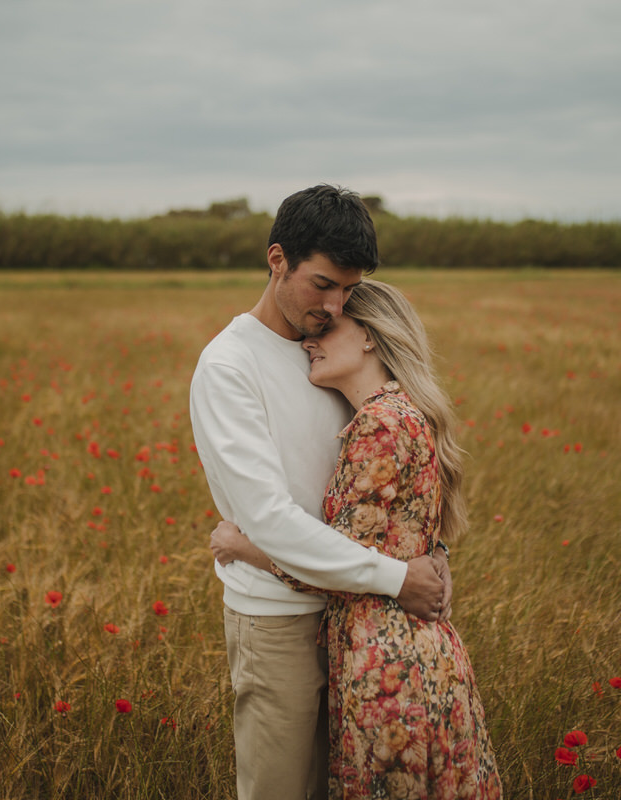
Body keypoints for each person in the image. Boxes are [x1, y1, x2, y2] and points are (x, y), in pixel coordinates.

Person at [188, 185, 453, 800]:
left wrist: (431, 560)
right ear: (277, 259)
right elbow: (272, 521)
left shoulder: (328, 357)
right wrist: (399, 577)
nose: (335, 306)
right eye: (323, 283)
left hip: (357, 623)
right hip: (279, 621)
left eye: (349, 290)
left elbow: (389, 492)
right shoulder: (230, 366)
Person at [211, 279, 502, 798]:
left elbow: (344, 565)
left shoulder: (379, 426)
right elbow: (390, 543)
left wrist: (241, 546)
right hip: (416, 651)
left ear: (369, 337)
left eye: (330, 327)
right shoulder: (400, 412)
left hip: (387, 664)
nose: (309, 340)